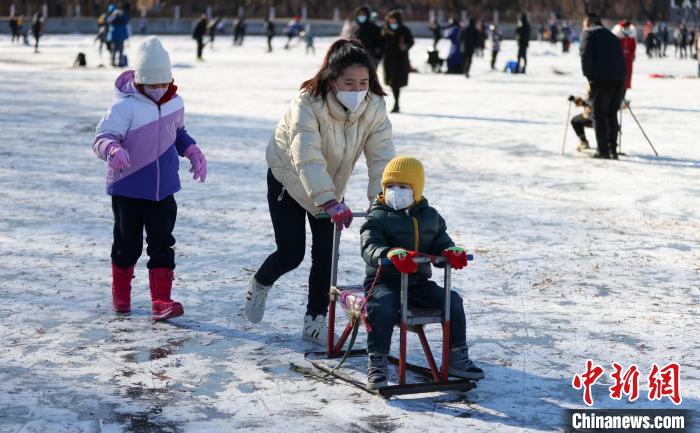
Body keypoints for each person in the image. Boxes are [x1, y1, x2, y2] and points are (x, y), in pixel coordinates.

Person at [245, 40, 395, 345]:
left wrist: (382, 201)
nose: (356, 89)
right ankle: (260, 282)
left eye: (363, 82)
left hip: (329, 187)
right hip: (288, 180)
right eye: (348, 82)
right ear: (332, 79)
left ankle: (316, 317)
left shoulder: (374, 107)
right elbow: (307, 155)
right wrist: (327, 200)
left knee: (327, 258)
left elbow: (381, 157)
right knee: (291, 253)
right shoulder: (307, 104)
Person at [92, 37, 207, 321]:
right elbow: (102, 137)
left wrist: (191, 150)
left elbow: (177, 133)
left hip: (163, 189)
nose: (158, 90)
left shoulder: (175, 103)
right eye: (152, 85)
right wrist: (113, 149)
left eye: (163, 83)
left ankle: (161, 301)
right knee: (127, 244)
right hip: (128, 188)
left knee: (162, 243)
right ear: (140, 81)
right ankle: (121, 295)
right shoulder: (124, 107)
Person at [360, 156, 485, 389]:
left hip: (417, 283)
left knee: (453, 301)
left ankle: (457, 356)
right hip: (384, 282)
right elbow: (370, 246)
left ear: (416, 190)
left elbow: (441, 242)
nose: (395, 192)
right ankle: (377, 360)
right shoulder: (377, 216)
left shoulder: (430, 217)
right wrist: (388, 254)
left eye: (403, 187)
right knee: (383, 306)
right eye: (390, 187)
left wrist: (450, 251)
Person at [579, 13, 627, 159]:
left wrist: (590, 78)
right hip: (619, 80)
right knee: (612, 113)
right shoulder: (612, 36)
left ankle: (603, 151)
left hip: (601, 81)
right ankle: (613, 149)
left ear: (588, 23)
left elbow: (584, 56)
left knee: (599, 114)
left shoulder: (589, 34)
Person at [381, 10, 414, 113]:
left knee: (396, 82)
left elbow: (411, 41)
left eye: (393, 19)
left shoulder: (404, 30)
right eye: (389, 19)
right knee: (391, 82)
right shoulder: (385, 30)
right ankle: (396, 103)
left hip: (400, 60)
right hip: (389, 59)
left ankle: (396, 104)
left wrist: (405, 46)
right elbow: (381, 41)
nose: (391, 21)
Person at [612, 21, 637, 95]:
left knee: (627, 77)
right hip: (619, 59)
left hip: (628, 59)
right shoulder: (617, 36)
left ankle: (623, 95)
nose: (626, 28)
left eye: (628, 27)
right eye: (625, 27)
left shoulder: (631, 36)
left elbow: (633, 47)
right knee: (618, 77)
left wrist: (632, 55)